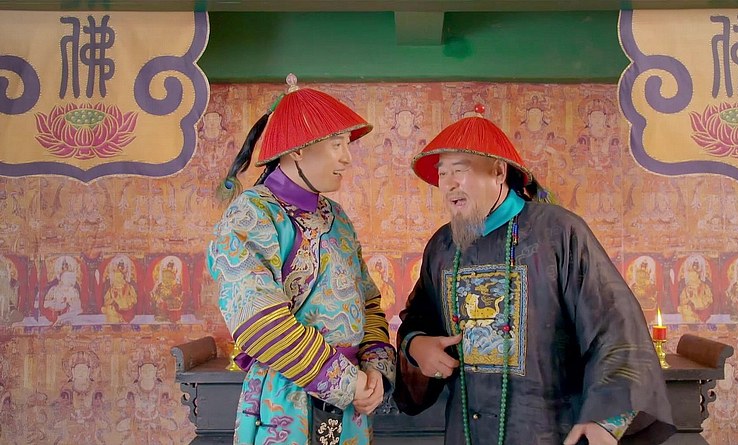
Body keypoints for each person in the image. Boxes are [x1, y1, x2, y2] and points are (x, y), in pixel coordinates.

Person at [394, 105, 675, 445]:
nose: (449, 184)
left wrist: (605, 418)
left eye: (460, 170)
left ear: (499, 172)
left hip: (547, 430)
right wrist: (416, 345)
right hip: (465, 431)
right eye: (442, 174)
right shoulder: (442, 245)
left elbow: (614, 327)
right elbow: (419, 316)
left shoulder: (558, 232)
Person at [207, 74, 395, 445]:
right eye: (337, 145)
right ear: (298, 150)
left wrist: (374, 370)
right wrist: (345, 380)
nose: (347, 157)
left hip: (353, 399)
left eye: (347, 144)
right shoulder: (252, 214)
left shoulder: (337, 217)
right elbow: (258, 322)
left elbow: (368, 303)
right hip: (286, 398)